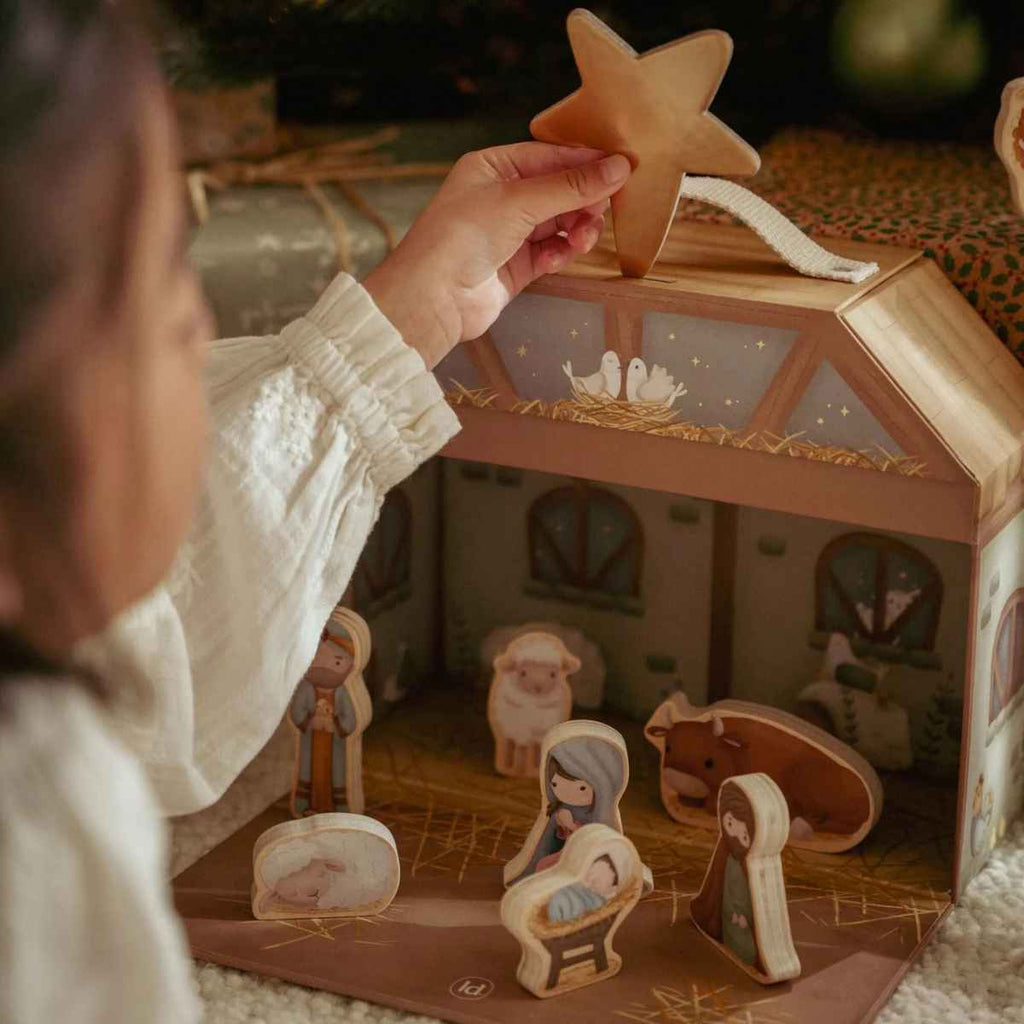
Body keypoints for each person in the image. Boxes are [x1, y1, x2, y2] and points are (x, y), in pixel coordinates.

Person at [0, 2, 632, 1021]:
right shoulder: (42, 819)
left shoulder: (56, 700)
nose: (206, 341)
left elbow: (177, 613)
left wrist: (417, 311)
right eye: (172, 312)